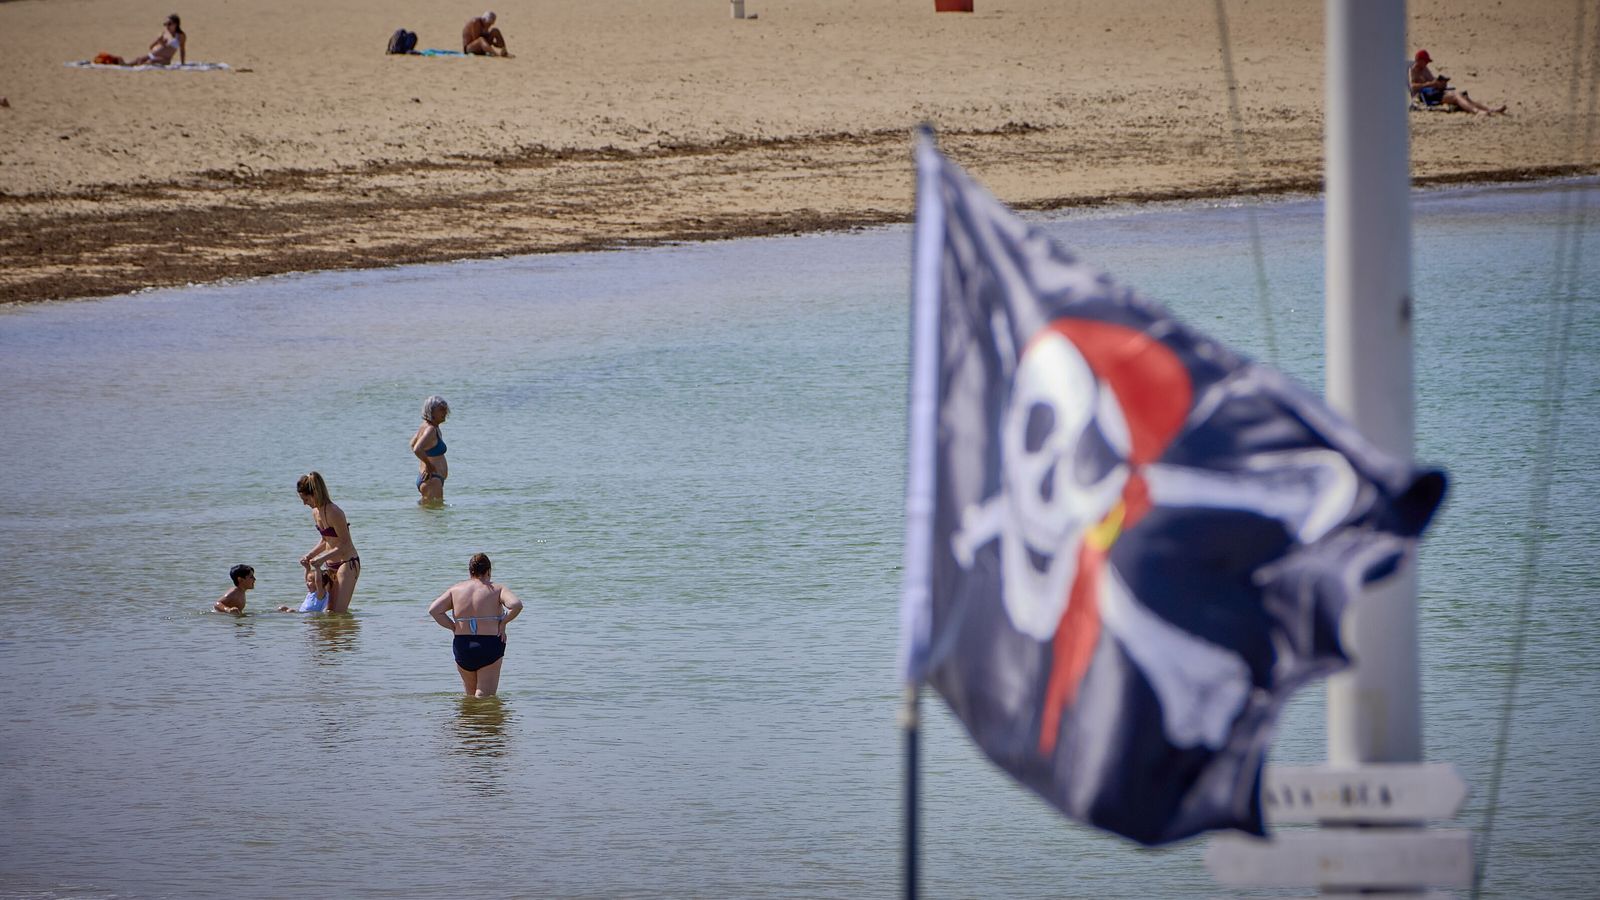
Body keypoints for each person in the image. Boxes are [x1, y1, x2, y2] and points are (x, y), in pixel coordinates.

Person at [428, 553, 525, 697]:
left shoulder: (455, 590)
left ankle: (468, 720)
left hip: (463, 645)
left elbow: (434, 610)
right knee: (484, 697)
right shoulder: (497, 589)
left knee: (470, 696)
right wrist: (503, 623)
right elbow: (516, 605)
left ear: (470, 571)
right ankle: (483, 719)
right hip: (489, 645)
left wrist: (454, 627)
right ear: (489, 571)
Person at [296, 471, 361, 613]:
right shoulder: (315, 512)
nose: (304, 503)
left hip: (347, 563)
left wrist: (321, 559)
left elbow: (343, 543)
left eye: (305, 499)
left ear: (314, 494)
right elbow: (326, 540)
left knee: (338, 612)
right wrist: (309, 556)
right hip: (330, 565)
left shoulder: (335, 512)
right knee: (328, 612)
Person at [1410, 49, 1506, 116]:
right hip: (1428, 96)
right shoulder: (1413, 70)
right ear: (1419, 60)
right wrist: (1431, 84)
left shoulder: (1425, 69)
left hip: (1435, 92)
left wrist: (1440, 83)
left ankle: (1490, 109)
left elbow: (1432, 80)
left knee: (1462, 95)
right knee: (1456, 97)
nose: (1427, 63)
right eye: (1425, 61)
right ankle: (1476, 111)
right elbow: (1413, 87)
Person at [410, 395, 450, 503]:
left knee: (430, 515)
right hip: (432, 479)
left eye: (445, 409)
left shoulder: (426, 426)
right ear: (431, 412)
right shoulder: (430, 429)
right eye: (441, 410)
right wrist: (428, 465)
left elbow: (412, 444)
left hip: (431, 479)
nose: (445, 412)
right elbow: (417, 449)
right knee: (437, 516)